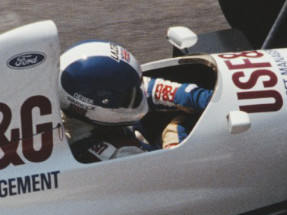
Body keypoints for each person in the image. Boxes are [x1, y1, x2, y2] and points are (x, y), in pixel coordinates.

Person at [58, 41, 212, 163]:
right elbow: (173, 176)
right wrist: (175, 142)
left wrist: (201, 98)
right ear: (97, 107)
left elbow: (152, 90)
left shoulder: (77, 103)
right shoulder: (117, 155)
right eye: (129, 95)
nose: (140, 92)